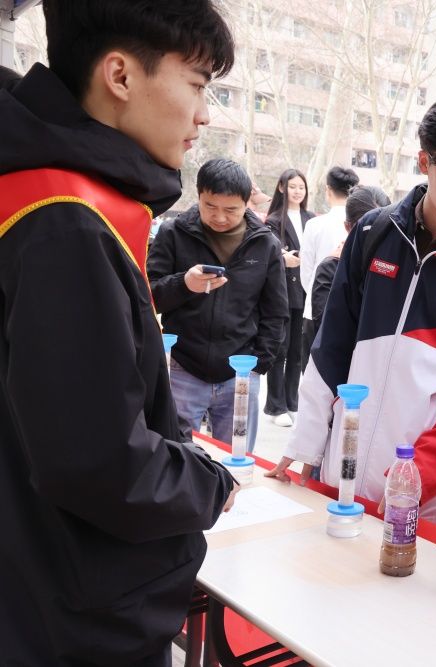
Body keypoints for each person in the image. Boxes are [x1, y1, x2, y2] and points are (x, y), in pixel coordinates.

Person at [0, 2, 239, 664]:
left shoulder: (33, 188)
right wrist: (210, 483)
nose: (203, 114)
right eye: (196, 84)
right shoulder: (67, 221)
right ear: (120, 75)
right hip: (67, 614)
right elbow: (97, 461)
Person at [266, 94, 436, 525]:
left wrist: (420, 473)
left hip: (427, 496)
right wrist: (307, 441)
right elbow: (332, 343)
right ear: (425, 161)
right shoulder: (373, 232)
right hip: (343, 468)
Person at [148, 158, 288, 452]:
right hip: (182, 368)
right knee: (175, 456)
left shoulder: (265, 244)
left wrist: (258, 364)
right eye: (210, 206)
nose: (220, 217)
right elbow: (148, 296)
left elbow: (276, 312)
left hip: (241, 373)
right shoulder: (173, 234)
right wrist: (184, 284)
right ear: (198, 195)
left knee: (235, 460)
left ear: (247, 203)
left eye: (231, 210)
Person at [264, 168, 315, 427]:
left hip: (305, 291)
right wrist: (285, 258)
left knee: (297, 351)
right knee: (280, 349)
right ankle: (276, 406)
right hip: (282, 289)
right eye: (293, 186)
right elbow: (269, 251)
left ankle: (291, 402)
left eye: (301, 187)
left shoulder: (311, 219)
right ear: (282, 188)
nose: (297, 191)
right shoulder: (273, 220)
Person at [310, 185, 391, 334]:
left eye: (382, 228)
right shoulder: (331, 268)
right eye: (367, 230)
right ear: (348, 227)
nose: (374, 238)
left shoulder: (396, 265)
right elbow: (326, 329)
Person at [300, 165, 360, 361]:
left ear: (328, 189)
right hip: (350, 313)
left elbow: (306, 274)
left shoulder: (314, 224)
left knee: (312, 370)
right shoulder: (363, 221)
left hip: (314, 309)